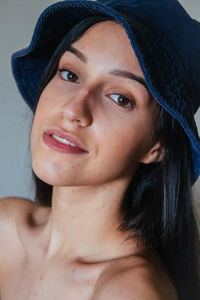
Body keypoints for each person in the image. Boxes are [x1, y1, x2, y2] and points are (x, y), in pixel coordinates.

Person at [0, 0, 200, 299]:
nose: (73, 109)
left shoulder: (129, 291)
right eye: (69, 74)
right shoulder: (6, 226)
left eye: (120, 98)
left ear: (158, 147)